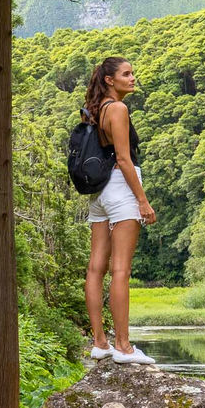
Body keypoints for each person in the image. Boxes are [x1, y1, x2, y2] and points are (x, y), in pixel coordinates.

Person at [82, 56, 156, 364]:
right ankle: (124, 347)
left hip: (99, 192)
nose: (132, 77)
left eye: (132, 72)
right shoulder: (119, 109)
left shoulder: (95, 110)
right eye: (126, 74)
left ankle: (100, 342)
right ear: (110, 80)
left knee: (95, 267)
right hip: (120, 188)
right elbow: (124, 160)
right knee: (121, 270)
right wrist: (142, 200)